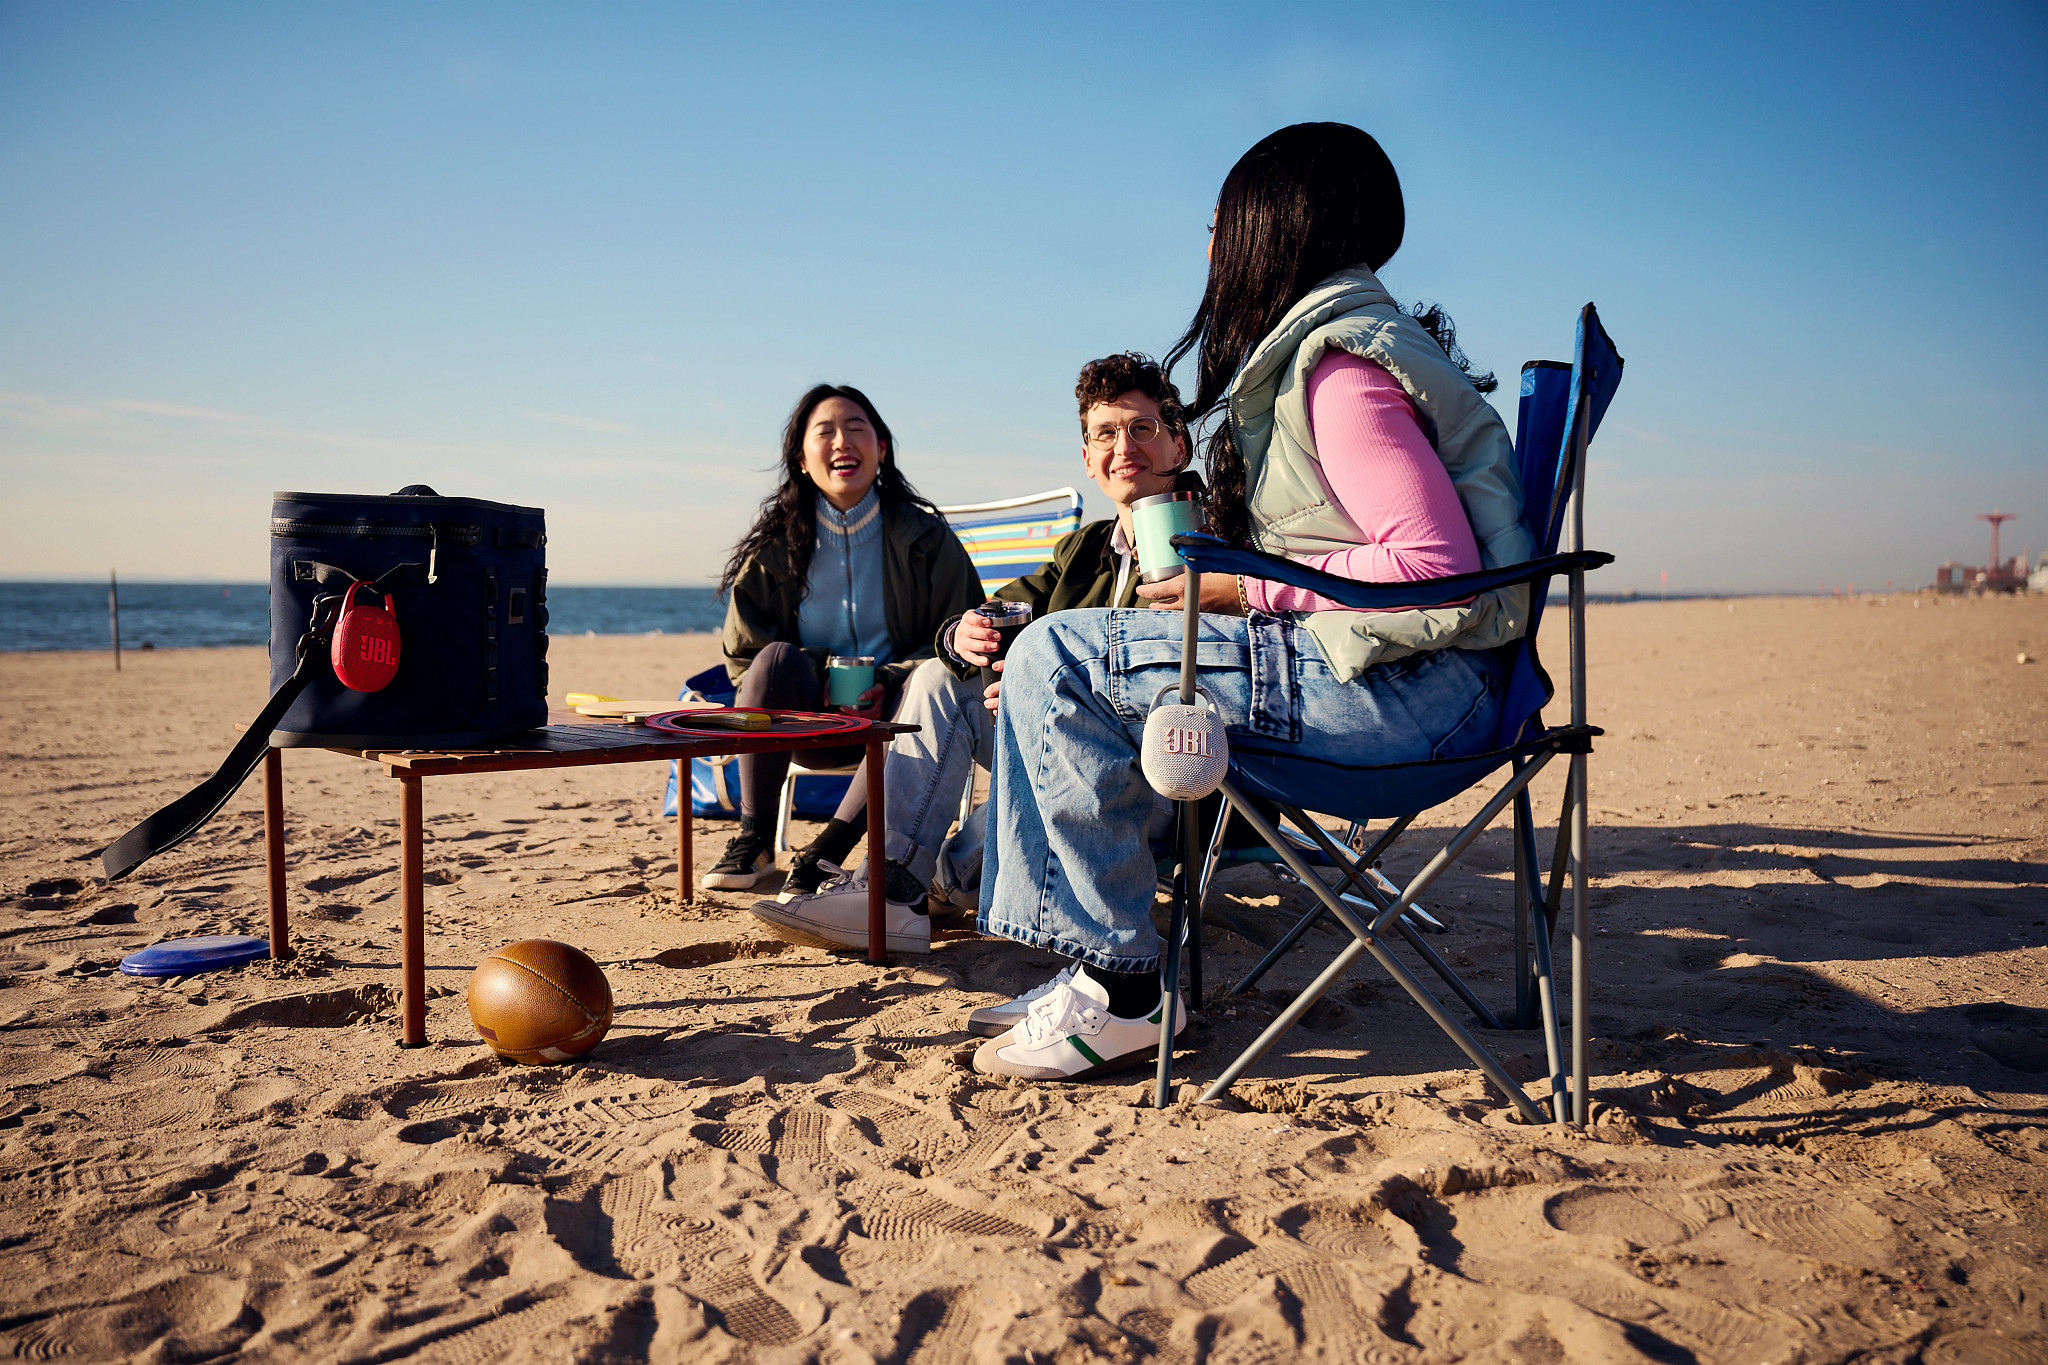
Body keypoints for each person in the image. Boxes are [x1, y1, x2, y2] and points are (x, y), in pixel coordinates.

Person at [972, 122, 1535, 1082]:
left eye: (1221, 225)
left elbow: (1432, 568)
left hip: (1413, 697)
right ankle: (1096, 964)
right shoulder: (1341, 348)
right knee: (1071, 649)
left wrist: (1241, 587)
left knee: (1055, 658)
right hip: (1419, 680)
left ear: (1273, 230)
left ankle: (1122, 983)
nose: (1209, 251)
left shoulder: (1339, 371)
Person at [748, 353, 1189, 957]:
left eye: (1143, 428)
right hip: (1056, 750)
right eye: (1106, 434)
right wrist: (961, 636)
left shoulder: (1208, 546)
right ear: (1087, 459)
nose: (1124, 446)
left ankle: (926, 882)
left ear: (1178, 444)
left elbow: (1200, 690)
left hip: (1160, 774)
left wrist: (1053, 694)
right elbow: (983, 612)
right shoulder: (1083, 551)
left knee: (995, 823)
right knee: (936, 678)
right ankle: (892, 893)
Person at [704, 384, 983, 891]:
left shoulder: (926, 539)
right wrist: (821, 677)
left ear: (882, 448)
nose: (842, 442)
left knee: (932, 676)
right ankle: (755, 839)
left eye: (857, 429)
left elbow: (964, 638)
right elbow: (744, 656)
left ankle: (828, 847)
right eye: (824, 431)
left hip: (903, 721)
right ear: (802, 459)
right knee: (773, 659)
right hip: (803, 724)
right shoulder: (775, 547)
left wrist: (885, 679)